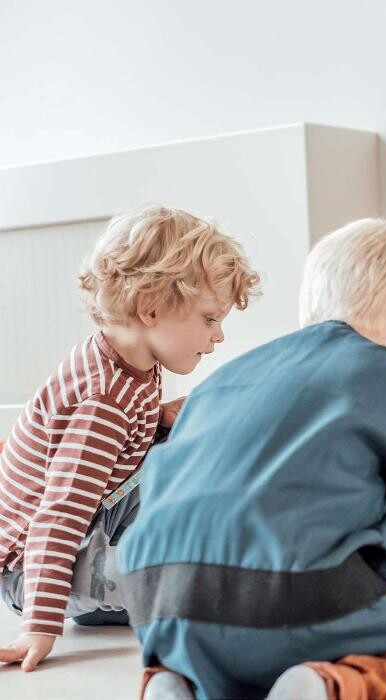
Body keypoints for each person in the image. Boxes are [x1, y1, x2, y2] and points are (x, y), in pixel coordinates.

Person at [120, 219, 386, 700]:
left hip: (159, 600)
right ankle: (323, 686)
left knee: (227, 652)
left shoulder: (225, 379)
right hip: (297, 601)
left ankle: (174, 683)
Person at [0, 205, 259, 671]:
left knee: (197, 458)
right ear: (151, 308)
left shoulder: (133, 362)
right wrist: (38, 626)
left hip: (95, 517)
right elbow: (58, 516)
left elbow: (118, 461)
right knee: (176, 579)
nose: (218, 336)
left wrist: (159, 421)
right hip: (33, 568)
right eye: (209, 319)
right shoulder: (102, 404)